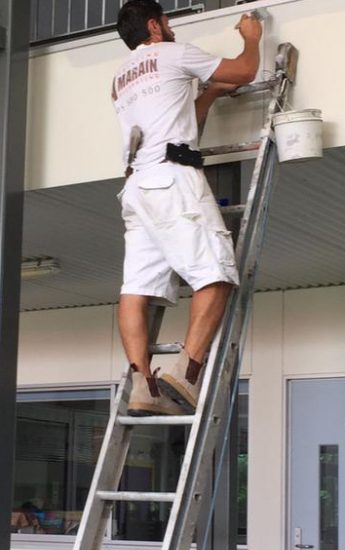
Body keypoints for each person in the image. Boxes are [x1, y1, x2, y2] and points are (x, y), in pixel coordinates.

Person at [112, 1, 263, 416]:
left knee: (136, 288)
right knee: (217, 272)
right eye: (167, 21)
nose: (171, 27)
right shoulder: (173, 54)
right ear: (153, 25)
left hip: (137, 187)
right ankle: (188, 373)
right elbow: (245, 71)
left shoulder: (120, 78)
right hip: (171, 180)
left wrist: (209, 93)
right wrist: (252, 38)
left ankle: (143, 387)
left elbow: (175, 119)